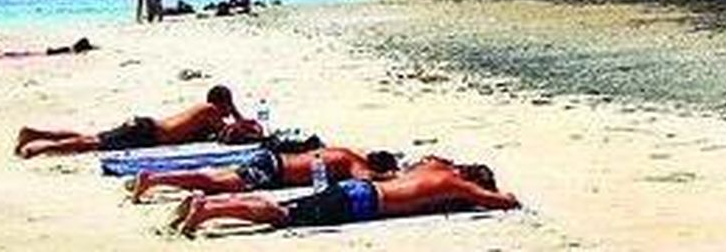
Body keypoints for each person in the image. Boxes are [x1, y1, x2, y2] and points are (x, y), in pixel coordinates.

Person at [168, 156, 519, 237]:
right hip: (363, 202)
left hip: (357, 190)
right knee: (282, 216)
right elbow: (503, 203)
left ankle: (210, 204)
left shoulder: (431, 166)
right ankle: (207, 212)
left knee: (284, 207)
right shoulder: (455, 184)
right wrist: (498, 194)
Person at [14, 85, 248, 158]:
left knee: (92, 137)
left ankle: (34, 133)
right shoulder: (209, 110)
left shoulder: (204, 113)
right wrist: (236, 112)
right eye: (229, 105)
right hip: (147, 132)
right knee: (93, 143)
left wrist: (233, 111)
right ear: (223, 103)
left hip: (145, 127)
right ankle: (40, 148)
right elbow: (231, 133)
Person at [129, 147, 399, 202]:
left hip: (272, 159)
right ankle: (153, 179)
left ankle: (156, 179)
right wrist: (390, 178)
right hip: (273, 170)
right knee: (213, 183)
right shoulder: (353, 161)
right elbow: (364, 179)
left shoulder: (343, 151)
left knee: (212, 179)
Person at [0, 37, 97, 61]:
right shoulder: (72, 50)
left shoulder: (71, 49)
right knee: (25, 54)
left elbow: (91, 48)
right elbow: (90, 48)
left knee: (26, 54)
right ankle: (4, 55)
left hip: (49, 53)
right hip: (50, 53)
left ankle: (4, 55)